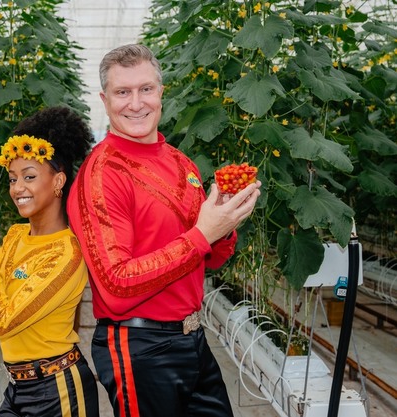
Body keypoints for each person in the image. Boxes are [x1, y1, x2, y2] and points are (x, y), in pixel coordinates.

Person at [66, 44, 262, 417]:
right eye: (122, 92)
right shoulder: (103, 174)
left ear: (161, 92)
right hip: (139, 347)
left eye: (146, 89)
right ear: (105, 101)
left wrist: (224, 222)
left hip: (192, 337)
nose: (136, 103)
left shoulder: (181, 163)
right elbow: (116, 286)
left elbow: (210, 260)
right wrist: (203, 234)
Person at [0, 106, 99, 417]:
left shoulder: (65, 253)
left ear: (58, 181)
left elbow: (1, 325)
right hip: (17, 386)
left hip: (57, 391)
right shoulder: (15, 235)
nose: (17, 188)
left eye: (29, 177)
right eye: (12, 179)